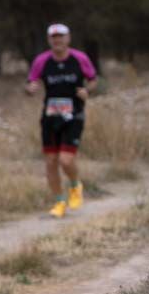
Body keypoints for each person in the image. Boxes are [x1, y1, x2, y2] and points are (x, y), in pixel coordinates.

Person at [25, 23, 97, 218]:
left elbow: (93, 79)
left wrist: (87, 91)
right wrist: (31, 89)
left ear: (68, 38)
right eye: (54, 37)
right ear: (49, 40)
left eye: (61, 36)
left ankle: (75, 185)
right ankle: (59, 202)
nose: (57, 40)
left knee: (66, 160)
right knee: (50, 161)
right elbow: (31, 82)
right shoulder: (42, 61)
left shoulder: (80, 58)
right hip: (50, 115)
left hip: (74, 114)